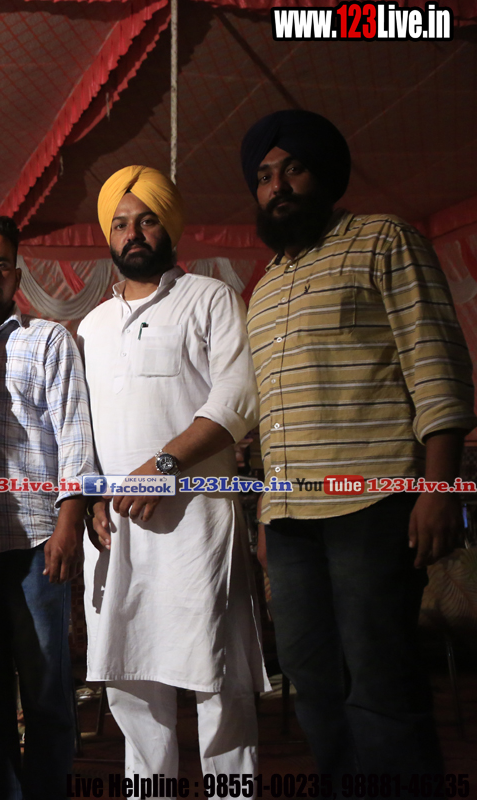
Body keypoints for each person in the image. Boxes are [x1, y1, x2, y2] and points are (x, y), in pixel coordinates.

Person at [241, 110, 475, 783]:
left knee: (381, 684)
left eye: (293, 169)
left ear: (324, 174)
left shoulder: (383, 240)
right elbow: (273, 416)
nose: (278, 187)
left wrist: (439, 489)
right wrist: (268, 516)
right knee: (312, 682)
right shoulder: (265, 287)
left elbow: (436, 365)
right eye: (264, 176)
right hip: (291, 520)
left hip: (374, 506)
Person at [77, 166, 268, 781]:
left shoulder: (210, 299)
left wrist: (164, 466)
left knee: (218, 679)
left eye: (147, 220)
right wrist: (92, 497)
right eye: (120, 223)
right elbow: (82, 426)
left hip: (196, 527)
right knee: (130, 684)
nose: (132, 234)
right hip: (117, 529)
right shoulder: (91, 326)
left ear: (171, 227)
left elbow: (238, 398)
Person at [0, 214, 93, 799]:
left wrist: (69, 523)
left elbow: (75, 436)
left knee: (45, 689)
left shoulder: (48, 339)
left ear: (17, 273)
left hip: (35, 543)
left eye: (0, 264)